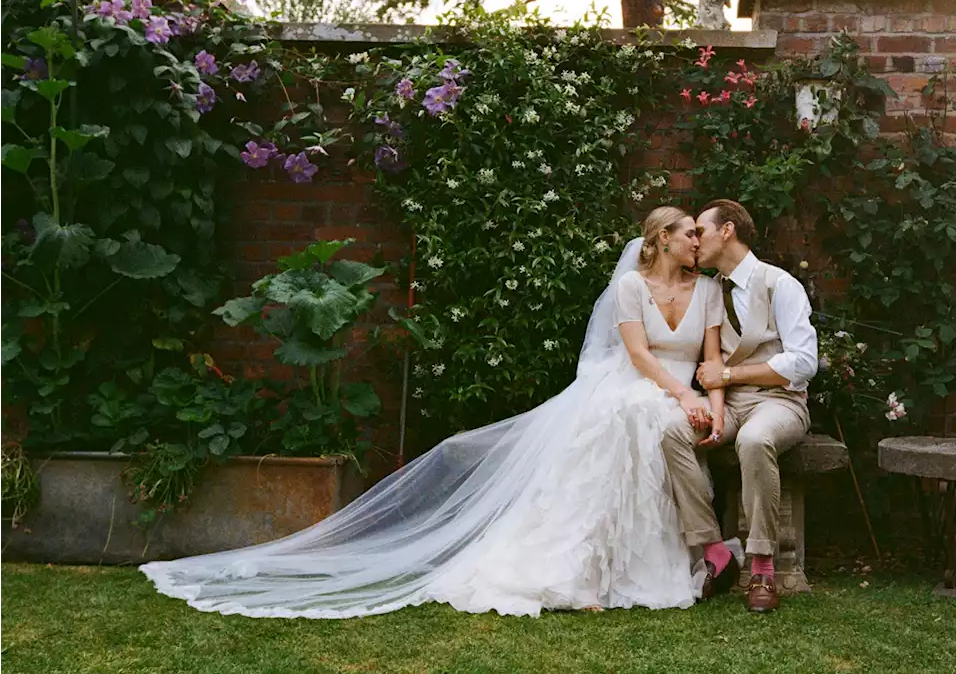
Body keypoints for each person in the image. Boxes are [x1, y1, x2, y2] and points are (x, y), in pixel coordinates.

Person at [140, 206, 740, 618]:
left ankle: (653, 562)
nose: (697, 240)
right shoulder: (630, 288)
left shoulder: (707, 290)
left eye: (698, 233)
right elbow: (635, 354)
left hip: (675, 395)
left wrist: (706, 403)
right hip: (629, 383)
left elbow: (711, 360)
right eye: (688, 232)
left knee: (653, 422)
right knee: (628, 417)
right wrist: (682, 395)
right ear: (661, 239)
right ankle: (585, 572)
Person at [661, 199, 818, 614]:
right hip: (728, 405)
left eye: (701, 231)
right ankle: (715, 551)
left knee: (754, 439)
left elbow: (804, 362)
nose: (694, 240)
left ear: (727, 231)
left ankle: (763, 566)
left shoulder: (780, 284)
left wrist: (729, 375)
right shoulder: (711, 289)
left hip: (780, 402)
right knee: (673, 432)